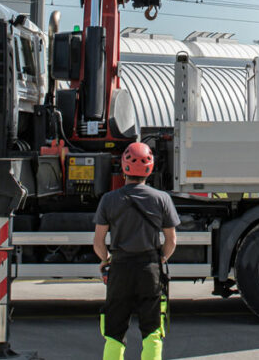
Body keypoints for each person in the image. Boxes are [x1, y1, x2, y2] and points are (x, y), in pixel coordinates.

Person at [94, 142, 179, 360]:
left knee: (114, 330)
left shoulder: (109, 200)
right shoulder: (162, 199)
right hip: (149, 268)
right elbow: (171, 240)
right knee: (152, 329)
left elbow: (98, 242)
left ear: (124, 167)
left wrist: (105, 261)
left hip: (120, 268)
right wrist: (160, 259)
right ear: (150, 169)